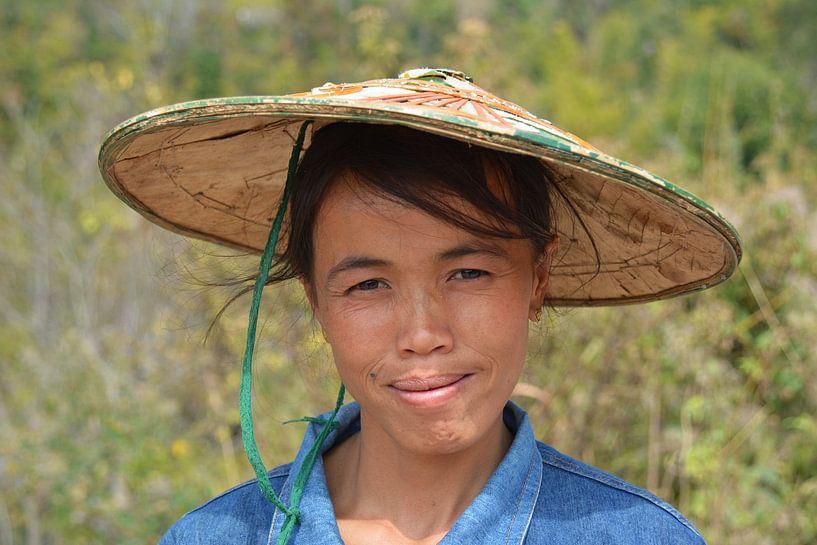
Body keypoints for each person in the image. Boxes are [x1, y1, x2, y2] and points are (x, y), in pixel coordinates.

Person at [98, 68, 741, 545]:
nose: (423, 334)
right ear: (317, 301)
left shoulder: (632, 536)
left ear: (538, 278)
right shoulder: (215, 538)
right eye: (368, 286)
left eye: (467, 272)